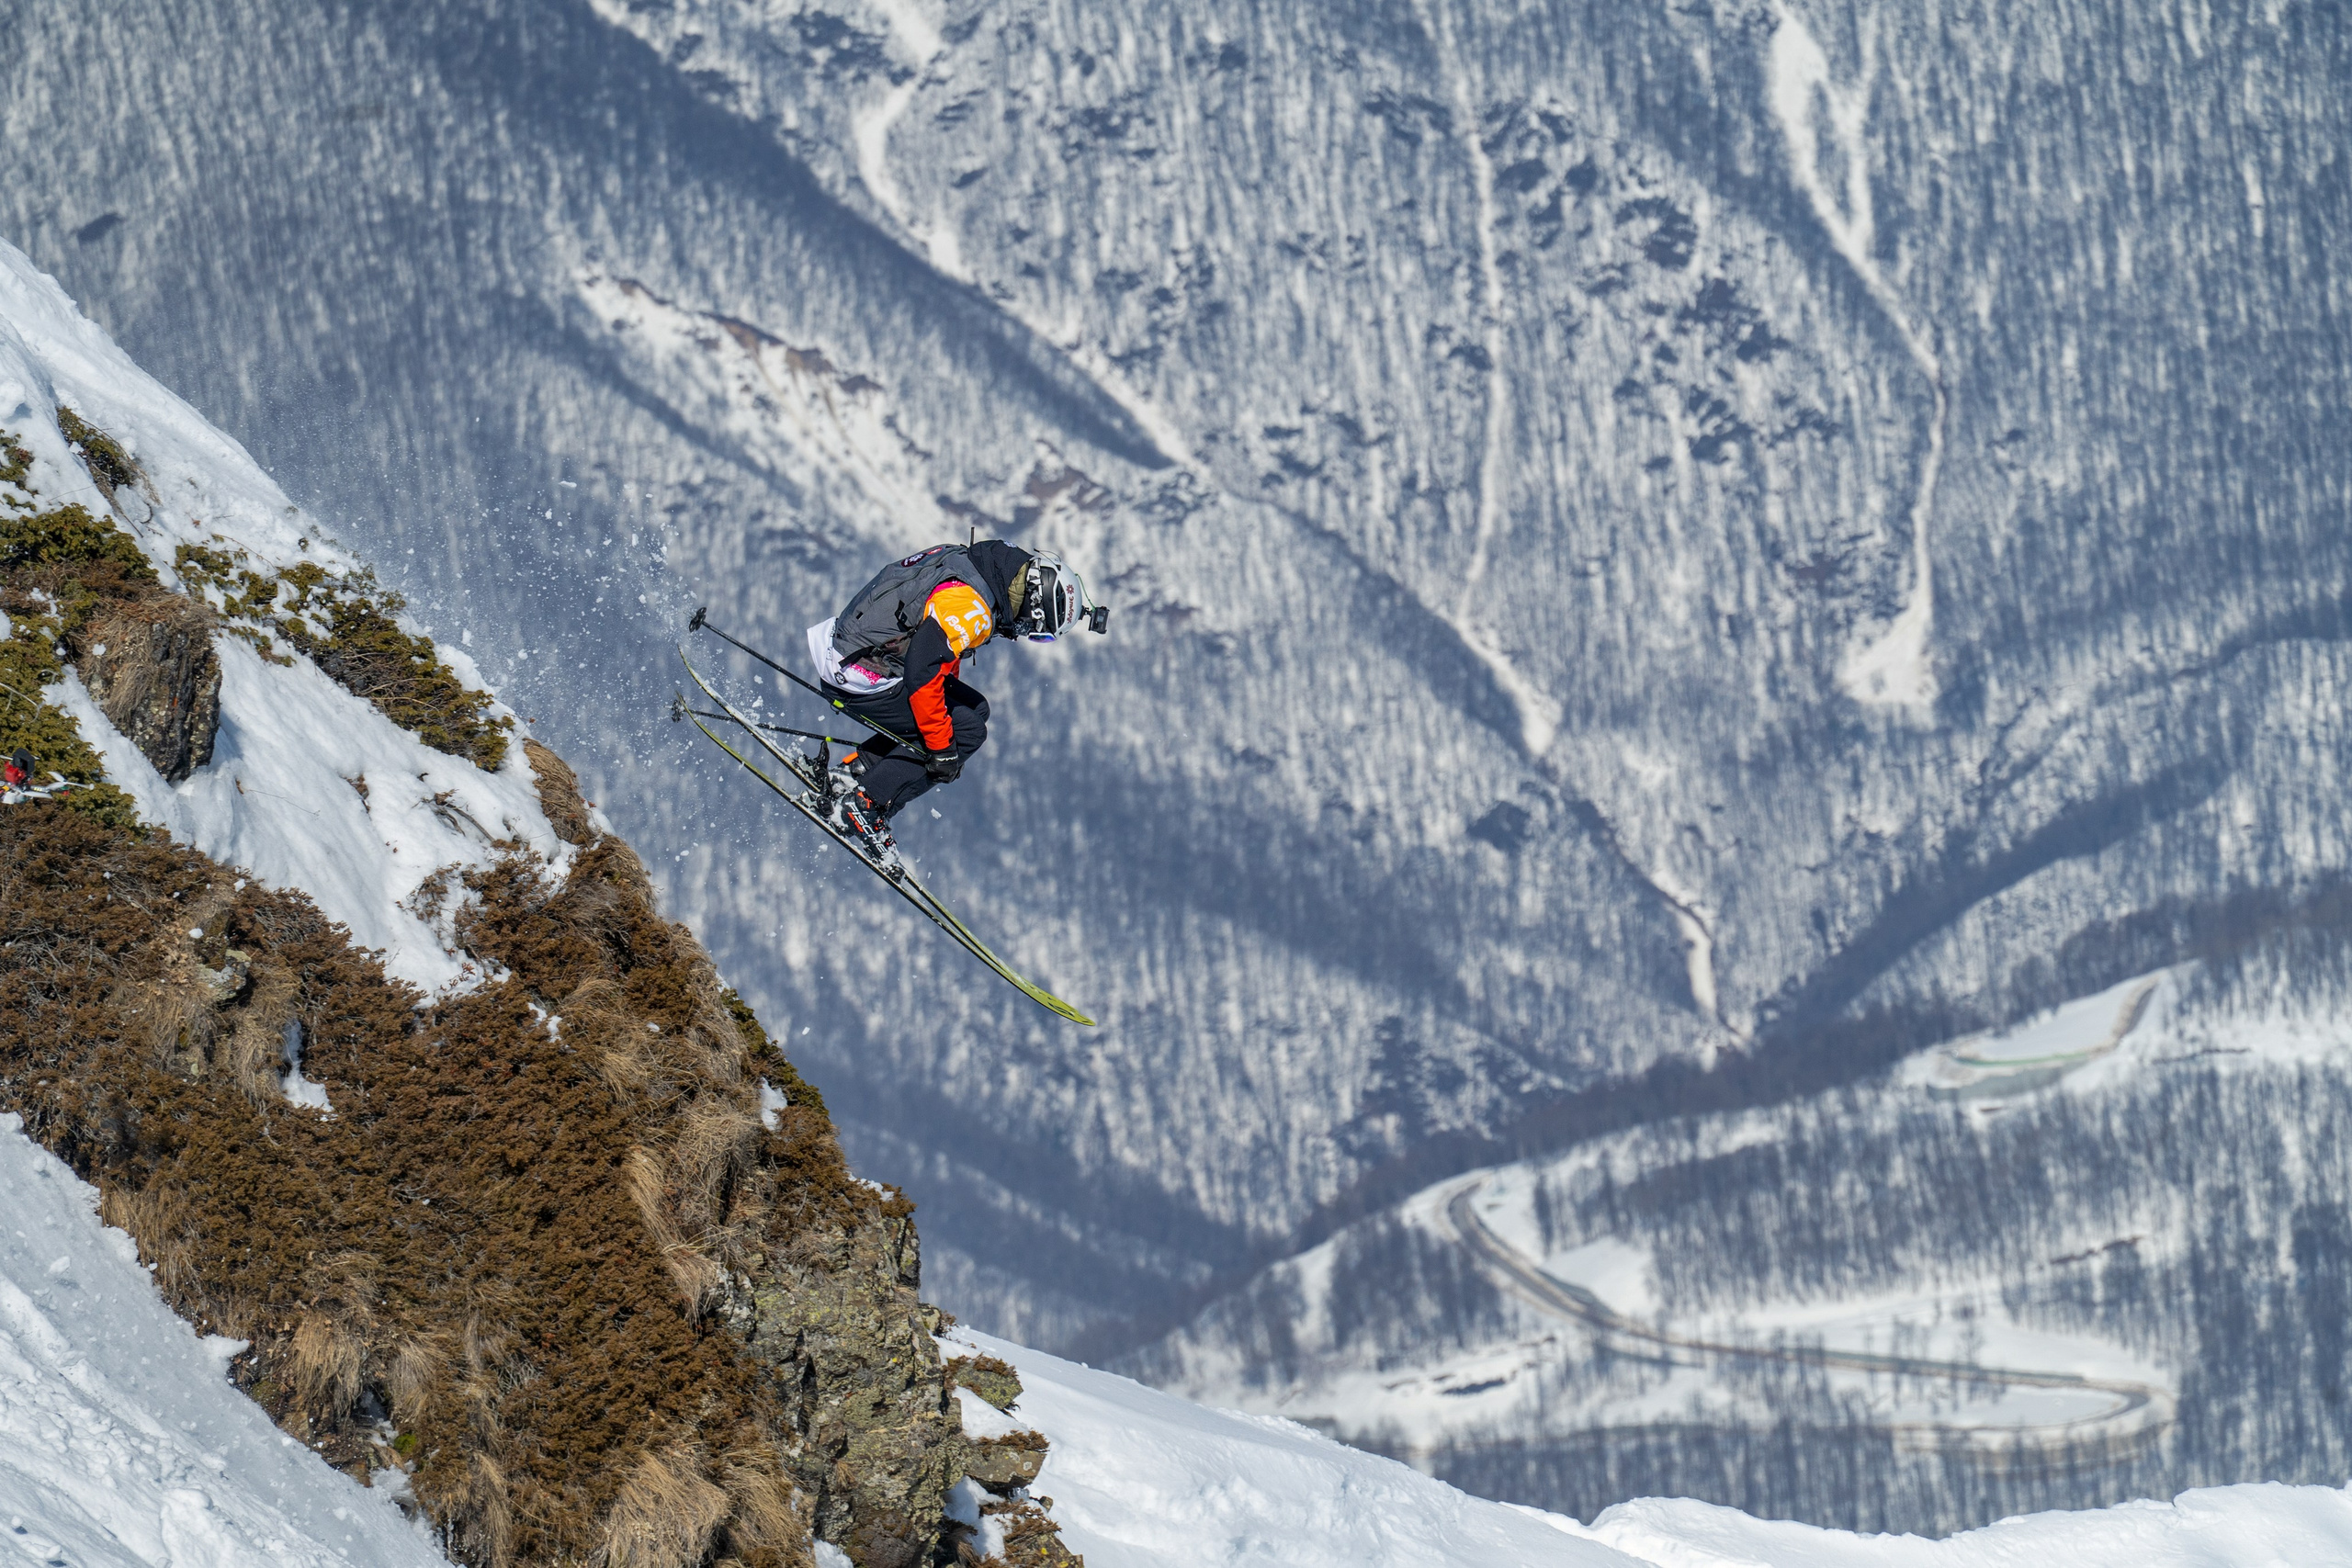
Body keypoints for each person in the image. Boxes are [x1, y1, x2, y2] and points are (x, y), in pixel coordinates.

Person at [805, 539, 1104, 848]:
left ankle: (858, 770)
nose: (1027, 634)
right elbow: (923, 670)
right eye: (1038, 632)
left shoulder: (972, 564)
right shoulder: (974, 607)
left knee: (975, 709)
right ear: (1035, 606)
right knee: (967, 732)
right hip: (862, 672)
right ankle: (867, 804)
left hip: (850, 648)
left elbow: (939, 654)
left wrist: (945, 742)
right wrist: (943, 750)